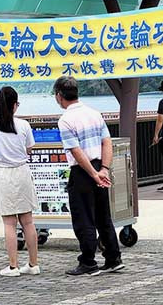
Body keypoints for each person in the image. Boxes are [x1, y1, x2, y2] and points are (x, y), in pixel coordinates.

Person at [54, 76, 124, 276]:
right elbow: (107, 142)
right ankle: (113, 257)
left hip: (82, 172)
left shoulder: (65, 120)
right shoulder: (94, 113)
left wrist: (93, 174)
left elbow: (76, 151)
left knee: (83, 217)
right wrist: (104, 169)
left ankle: (88, 262)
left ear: (59, 96)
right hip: (99, 166)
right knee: (103, 216)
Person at [0, 87, 40, 277]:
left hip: (2, 174)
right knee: (28, 222)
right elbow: (29, 149)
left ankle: (13, 266)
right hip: (22, 172)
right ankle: (33, 264)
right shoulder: (23, 125)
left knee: (9, 224)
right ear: (14, 105)